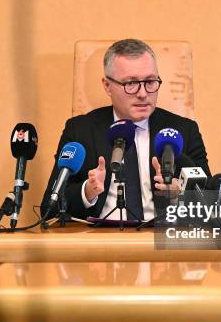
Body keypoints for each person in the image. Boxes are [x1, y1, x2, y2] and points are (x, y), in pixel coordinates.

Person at [41, 39, 211, 221]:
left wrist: (181, 194)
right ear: (107, 86)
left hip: (161, 243)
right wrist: (87, 191)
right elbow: (49, 208)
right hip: (101, 243)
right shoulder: (81, 130)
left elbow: (213, 203)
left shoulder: (183, 131)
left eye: (150, 81)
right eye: (130, 83)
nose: (143, 93)